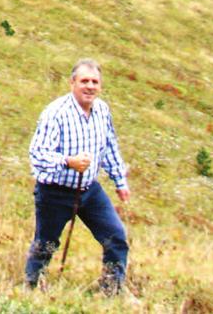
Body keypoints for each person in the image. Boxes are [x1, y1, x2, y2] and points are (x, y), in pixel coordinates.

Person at [25, 58, 130, 295]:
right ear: (73, 83)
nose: (90, 86)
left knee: (116, 238)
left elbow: (109, 147)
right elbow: (38, 155)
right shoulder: (56, 113)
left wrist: (120, 181)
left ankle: (112, 290)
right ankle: (31, 290)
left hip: (89, 190)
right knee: (46, 244)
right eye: (84, 81)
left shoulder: (102, 110)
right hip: (54, 191)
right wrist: (67, 161)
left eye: (95, 82)